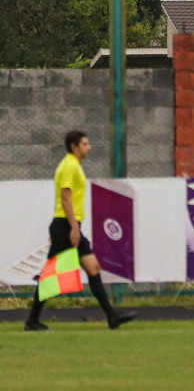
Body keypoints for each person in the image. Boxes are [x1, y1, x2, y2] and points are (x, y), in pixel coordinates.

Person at [25, 130, 137, 332]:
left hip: (68, 226)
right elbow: (65, 198)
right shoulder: (69, 166)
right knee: (49, 275)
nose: (89, 147)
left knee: (93, 268)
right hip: (66, 227)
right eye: (85, 144)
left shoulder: (73, 165)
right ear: (74, 147)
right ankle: (32, 321)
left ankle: (112, 317)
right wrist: (74, 228)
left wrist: (73, 227)